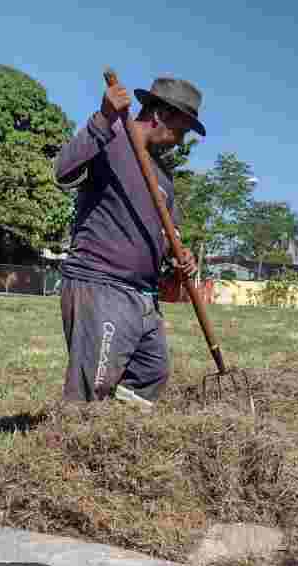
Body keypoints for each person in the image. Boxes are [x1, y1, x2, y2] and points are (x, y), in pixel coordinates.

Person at [53, 76, 203, 407]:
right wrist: (104, 117)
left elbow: (169, 235)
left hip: (143, 296)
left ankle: (115, 441)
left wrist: (180, 254)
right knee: (93, 385)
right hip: (102, 283)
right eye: (181, 129)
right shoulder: (113, 138)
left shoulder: (164, 177)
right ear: (161, 114)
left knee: (152, 372)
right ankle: (70, 446)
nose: (180, 141)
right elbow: (62, 171)